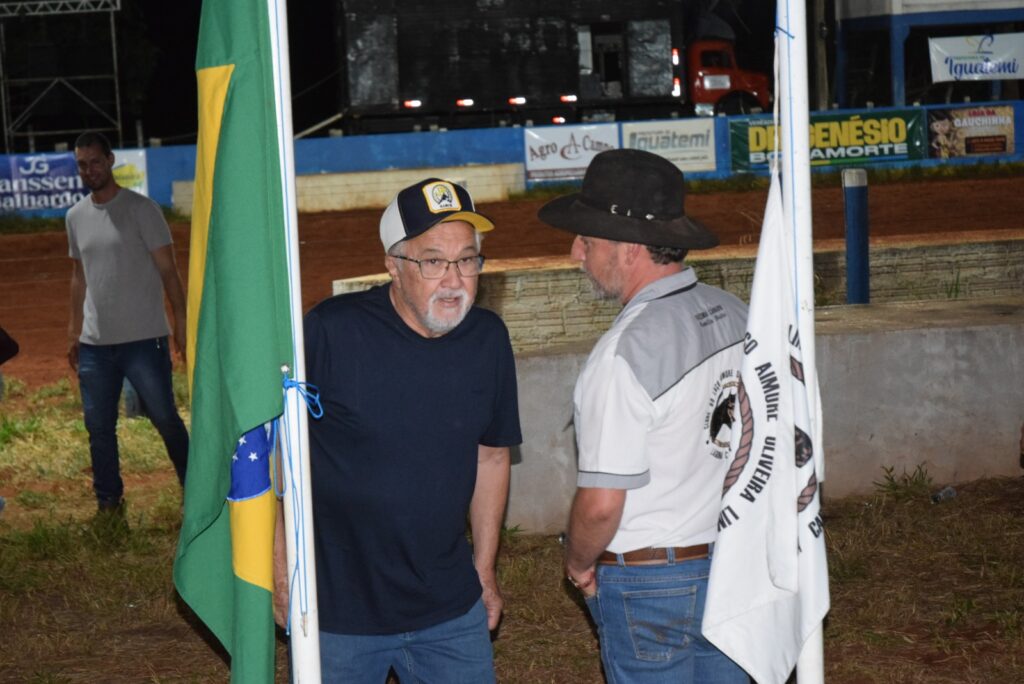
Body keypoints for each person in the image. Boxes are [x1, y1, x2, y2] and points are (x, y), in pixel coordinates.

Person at [294, 178, 521, 682]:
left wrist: (484, 569)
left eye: (467, 260)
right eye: (434, 261)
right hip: (340, 611)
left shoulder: (488, 340)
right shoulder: (332, 332)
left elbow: (492, 457)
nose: (454, 280)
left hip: (450, 608)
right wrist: (280, 566)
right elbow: (280, 452)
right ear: (393, 265)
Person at [539, 148, 750, 683]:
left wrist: (579, 562)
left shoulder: (621, 356)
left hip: (649, 582)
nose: (574, 254)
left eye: (586, 239)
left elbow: (603, 504)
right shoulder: (737, 315)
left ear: (627, 247)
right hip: (734, 561)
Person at [65, 132, 189, 514]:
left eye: (96, 161)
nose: (90, 170)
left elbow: (169, 273)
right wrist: (74, 333)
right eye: (83, 164)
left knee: (166, 419)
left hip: (144, 340)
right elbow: (78, 277)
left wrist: (180, 323)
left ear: (111, 160)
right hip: (94, 345)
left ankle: (196, 491)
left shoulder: (142, 210)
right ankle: (109, 505)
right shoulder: (75, 217)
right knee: (99, 429)